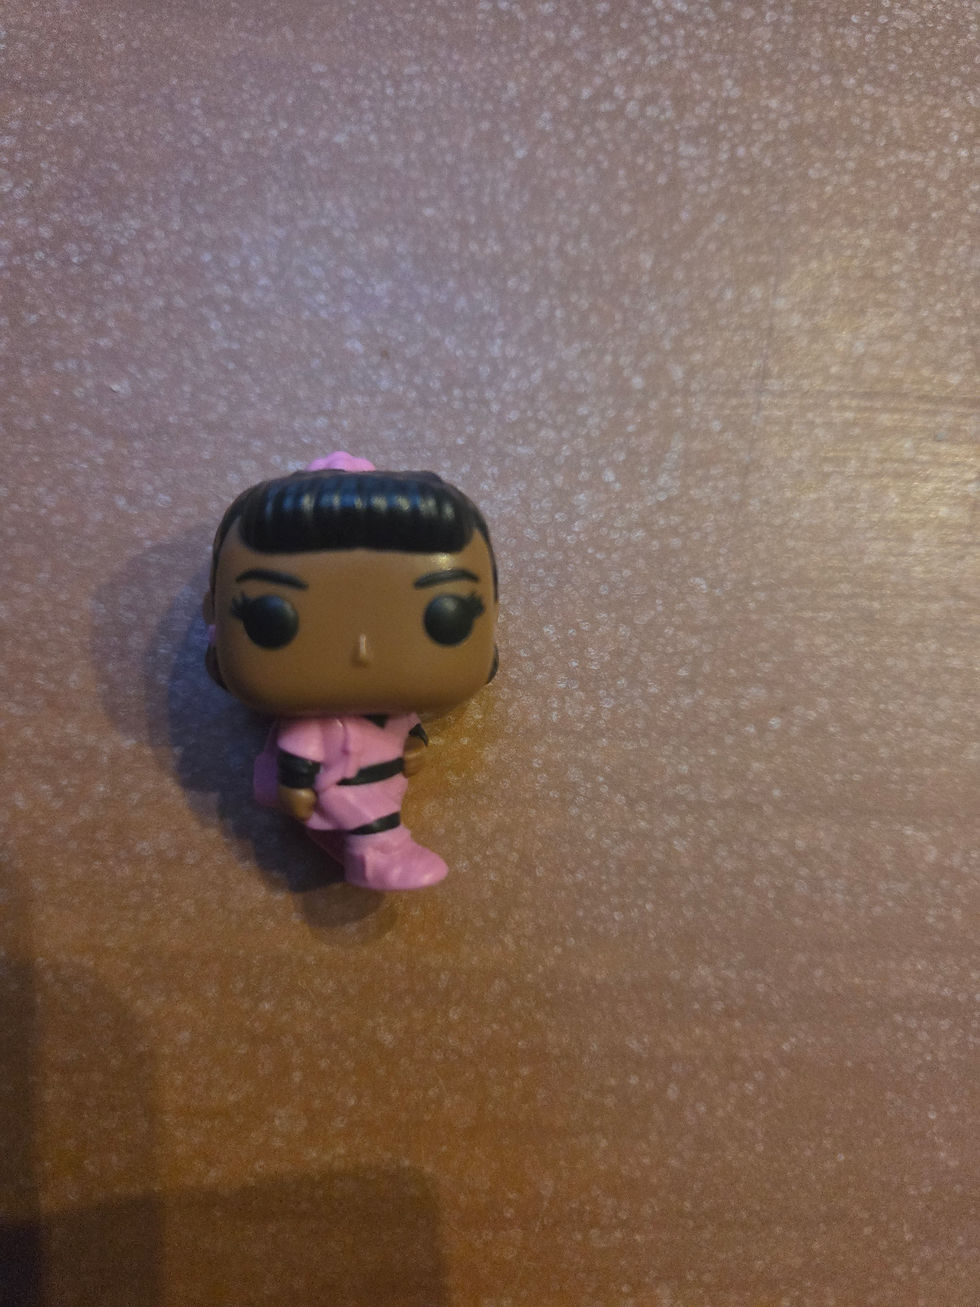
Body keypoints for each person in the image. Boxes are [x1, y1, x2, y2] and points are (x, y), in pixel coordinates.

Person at [203, 452, 499, 890]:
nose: (362, 652)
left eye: (446, 614)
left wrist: (412, 743)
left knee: (377, 810)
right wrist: (295, 786)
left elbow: (407, 729)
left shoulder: (392, 712)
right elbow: (298, 758)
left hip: (378, 778)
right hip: (336, 787)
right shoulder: (308, 727)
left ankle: (377, 852)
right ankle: (377, 856)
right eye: (271, 617)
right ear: (213, 615)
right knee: (367, 818)